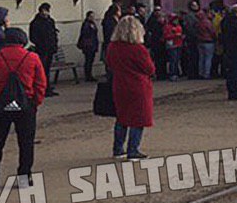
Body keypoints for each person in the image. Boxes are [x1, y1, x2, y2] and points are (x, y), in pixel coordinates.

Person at [0, 26, 47, 187]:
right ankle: (24, 177)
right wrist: (35, 102)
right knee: (25, 143)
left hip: (0, 105)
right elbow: (41, 83)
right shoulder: (32, 57)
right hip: (25, 105)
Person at [106, 15, 155, 159]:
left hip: (119, 84)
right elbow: (149, 68)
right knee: (138, 119)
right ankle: (133, 149)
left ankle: (118, 148)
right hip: (137, 86)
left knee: (122, 117)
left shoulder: (113, 47)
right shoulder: (138, 49)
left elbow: (109, 63)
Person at [28, 3, 60, 97]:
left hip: (50, 48)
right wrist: (41, 43)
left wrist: (54, 45)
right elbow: (33, 37)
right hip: (42, 49)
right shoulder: (36, 23)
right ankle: (43, 89)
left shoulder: (50, 21)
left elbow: (53, 34)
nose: (46, 12)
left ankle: (47, 87)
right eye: (44, 10)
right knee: (42, 70)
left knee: (47, 69)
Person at [195, 7, 217, 82]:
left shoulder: (198, 23)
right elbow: (212, 32)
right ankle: (206, 74)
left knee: (201, 58)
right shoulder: (207, 22)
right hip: (208, 41)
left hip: (200, 41)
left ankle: (200, 73)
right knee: (208, 58)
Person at [78, 11, 100, 82]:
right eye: (91, 16)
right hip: (88, 45)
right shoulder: (86, 24)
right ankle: (88, 75)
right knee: (88, 60)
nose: (93, 18)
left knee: (90, 60)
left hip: (92, 44)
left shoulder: (92, 24)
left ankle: (89, 75)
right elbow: (85, 34)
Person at [162, 14, 184, 81]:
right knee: (173, 60)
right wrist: (174, 35)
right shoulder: (167, 27)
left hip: (178, 44)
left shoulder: (178, 26)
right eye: (174, 19)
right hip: (171, 45)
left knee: (177, 60)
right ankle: (172, 74)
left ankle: (176, 73)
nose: (176, 21)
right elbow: (166, 36)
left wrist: (181, 37)